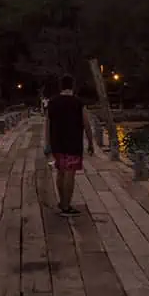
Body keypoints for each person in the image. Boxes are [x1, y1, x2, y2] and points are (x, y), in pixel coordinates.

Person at [43, 74, 94, 217]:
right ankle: (66, 206)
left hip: (56, 142)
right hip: (73, 142)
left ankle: (62, 201)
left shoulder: (52, 102)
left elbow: (47, 124)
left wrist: (47, 143)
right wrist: (90, 142)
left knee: (60, 171)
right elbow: (86, 124)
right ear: (73, 86)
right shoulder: (78, 103)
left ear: (60, 86)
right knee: (70, 173)